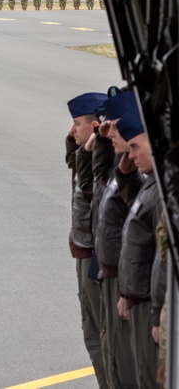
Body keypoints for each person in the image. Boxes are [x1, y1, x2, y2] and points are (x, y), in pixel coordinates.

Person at [96, 89, 142, 388]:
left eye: (114, 125)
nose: (110, 132)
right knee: (108, 350)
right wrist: (97, 143)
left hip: (132, 287)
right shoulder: (123, 166)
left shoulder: (140, 173)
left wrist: (130, 292)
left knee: (128, 364)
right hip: (112, 271)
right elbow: (95, 180)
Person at [65, 91, 111, 389]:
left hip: (96, 260)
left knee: (100, 335)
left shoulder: (104, 163)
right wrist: (77, 144)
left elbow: (87, 187)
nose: (72, 130)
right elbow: (74, 161)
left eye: (76, 124)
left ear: (95, 126)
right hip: (87, 255)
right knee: (93, 332)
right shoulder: (88, 155)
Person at [117, 108, 161, 389]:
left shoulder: (161, 192)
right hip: (142, 299)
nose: (130, 155)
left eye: (135, 146)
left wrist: (158, 316)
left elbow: (164, 262)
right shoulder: (151, 184)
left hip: (150, 303)